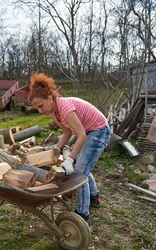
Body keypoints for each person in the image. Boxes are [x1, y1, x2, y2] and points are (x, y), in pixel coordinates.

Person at [28, 72, 110, 222]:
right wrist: (57, 148)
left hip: (99, 131)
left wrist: (69, 159)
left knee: (80, 172)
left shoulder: (64, 107)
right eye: (37, 109)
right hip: (88, 131)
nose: (40, 111)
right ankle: (94, 197)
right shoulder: (54, 112)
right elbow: (67, 132)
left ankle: (82, 214)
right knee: (83, 166)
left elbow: (82, 135)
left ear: (50, 98)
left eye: (41, 106)